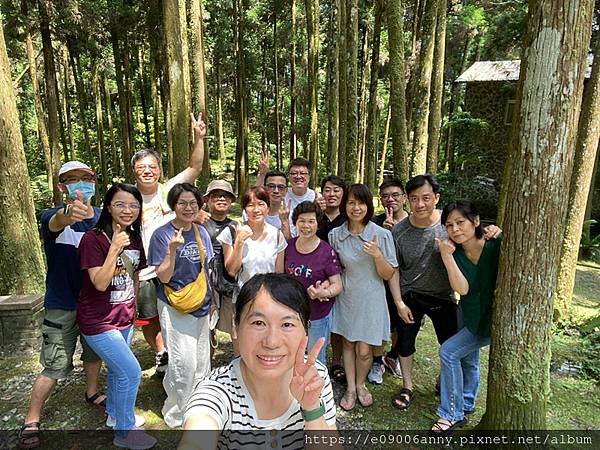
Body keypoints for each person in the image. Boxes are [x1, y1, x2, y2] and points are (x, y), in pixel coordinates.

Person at [179, 273, 336, 450]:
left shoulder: (314, 377)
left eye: (287, 325)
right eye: (259, 323)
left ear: (306, 331)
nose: (272, 342)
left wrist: (312, 409)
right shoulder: (218, 391)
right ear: (235, 326)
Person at [388, 174, 500, 411]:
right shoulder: (399, 231)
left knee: (452, 346)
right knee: (405, 342)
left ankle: (446, 384)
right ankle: (408, 386)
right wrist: (399, 302)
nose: (420, 204)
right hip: (411, 294)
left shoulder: (449, 226)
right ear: (407, 201)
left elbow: (474, 237)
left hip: (445, 296)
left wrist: (493, 230)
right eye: (414, 199)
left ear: (436, 198)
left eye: (426, 198)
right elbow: (395, 269)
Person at [18, 161, 104, 450]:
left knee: (94, 354)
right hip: (62, 303)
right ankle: (32, 418)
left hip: (96, 303)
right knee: (54, 364)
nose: (81, 183)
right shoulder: (51, 216)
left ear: (94, 181)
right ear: (61, 186)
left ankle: (91, 393)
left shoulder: (104, 217)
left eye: (86, 178)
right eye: (72, 179)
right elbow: (58, 221)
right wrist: (70, 213)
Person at [77, 183, 155, 449]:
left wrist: (132, 308)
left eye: (134, 205)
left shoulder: (134, 237)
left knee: (118, 371)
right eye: (120, 204)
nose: (128, 210)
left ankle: (114, 414)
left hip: (124, 316)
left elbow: (134, 275)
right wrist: (114, 249)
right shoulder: (93, 239)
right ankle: (124, 432)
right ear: (108, 206)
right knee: (132, 372)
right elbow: (99, 282)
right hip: (98, 321)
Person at [133, 113, 207, 376]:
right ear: (135, 171)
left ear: (160, 169)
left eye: (152, 166)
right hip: (143, 269)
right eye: (142, 167)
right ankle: (162, 353)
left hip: (175, 262)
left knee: (178, 309)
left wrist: (199, 138)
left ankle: (180, 354)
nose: (147, 171)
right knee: (149, 317)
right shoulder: (128, 196)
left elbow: (195, 168)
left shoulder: (169, 191)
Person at [430, 201, 501, 434]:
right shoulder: (454, 252)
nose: (455, 229)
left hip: (492, 319)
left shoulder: (495, 244)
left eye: (460, 222)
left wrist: (498, 230)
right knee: (468, 360)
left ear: (476, 221)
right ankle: (466, 403)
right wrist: (447, 257)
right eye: (449, 225)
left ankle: (451, 413)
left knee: (448, 352)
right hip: (469, 313)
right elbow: (462, 289)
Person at [148, 183, 214, 428]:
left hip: (202, 304)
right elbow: (163, 277)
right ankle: (178, 411)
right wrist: (172, 251)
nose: (188, 208)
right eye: (182, 203)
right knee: (182, 361)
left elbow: (206, 269)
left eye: (193, 203)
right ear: (173, 206)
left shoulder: (201, 231)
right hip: (175, 305)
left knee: (201, 360)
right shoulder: (162, 234)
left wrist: (213, 302)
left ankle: (200, 406)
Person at [329, 184, 398, 411]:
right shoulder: (335, 235)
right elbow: (332, 269)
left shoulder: (382, 235)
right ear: (344, 205)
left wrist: (377, 255)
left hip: (372, 297)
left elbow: (389, 274)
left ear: (368, 205)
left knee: (365, 349)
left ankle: (361, 384)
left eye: (361, 203)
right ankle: (350, 387)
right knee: (348, 343)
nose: (356, 208)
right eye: (351, 202)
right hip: (347, 297)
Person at [217, 186, 287, 353]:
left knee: (265, 347)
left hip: (269, 300)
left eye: (261, 204)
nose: (256, 209)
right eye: (250, 205)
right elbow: (232, 271)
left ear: (268, 208)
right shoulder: (232, 232)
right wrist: (240, 242)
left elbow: (279, 274)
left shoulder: (276, 235)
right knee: (241, 350)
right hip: (242, 299)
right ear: (244, 208)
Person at [284, 201, 343, 365]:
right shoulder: (288, 246)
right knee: (292, 353)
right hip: (293, 313)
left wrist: (323, 293)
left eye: (311, 221)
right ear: (295, 222)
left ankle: (318, 388)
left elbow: (337, 285)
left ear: (318, 224)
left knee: (315, 358)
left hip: (318, 315)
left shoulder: (326, 251)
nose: (306, 225)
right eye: (302, 220)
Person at [368, 178, 408, 384]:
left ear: (404, 197)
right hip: (381, 282)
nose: (390, 200)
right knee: (381, 323)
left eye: (395, 195)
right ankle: (377, 360)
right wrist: (383, 232)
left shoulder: (413, 222)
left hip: (408, 284)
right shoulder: (375, 222)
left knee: (403, 326)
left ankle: (393, 356)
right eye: (385, 196)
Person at [316, 175, 348, 384]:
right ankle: (317, 359)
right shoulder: (316, 216)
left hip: (344, 276)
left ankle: (337, 361)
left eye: (337, 190)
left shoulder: (348, 217)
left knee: (341, 322)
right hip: (317, 278)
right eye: (327, 190)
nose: (332, 194)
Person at [201, 180, 238, 339]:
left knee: (234, 324)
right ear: (207, 200)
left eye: (226, 196)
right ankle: (207, 363)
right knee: (206, 328)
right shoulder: (198, 223)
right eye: (216, 196)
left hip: (229, 281)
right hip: (205, 280)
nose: (221, 199)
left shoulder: (236, 226)